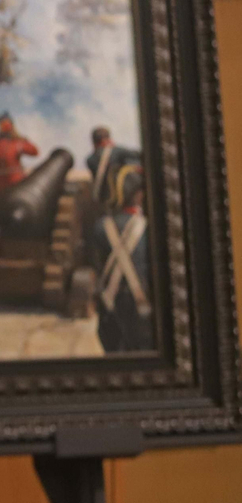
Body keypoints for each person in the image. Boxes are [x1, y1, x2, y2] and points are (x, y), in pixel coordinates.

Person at [90, 166, 153, 352]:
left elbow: (96, 266)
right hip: (142, 309)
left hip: (111, 307)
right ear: (138, 195)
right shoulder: (149, 227)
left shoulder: (101, 227)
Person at [85, 126, 141, 207]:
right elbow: (138, 155)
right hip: (122, 198)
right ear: (106, 139)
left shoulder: (89, 160)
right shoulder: (116, 151)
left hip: (104, 200)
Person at [0, 111, 38, 201]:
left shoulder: (17, 143)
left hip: (16, 184)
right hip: (2, 186)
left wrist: (22, 145)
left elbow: (34, 152)